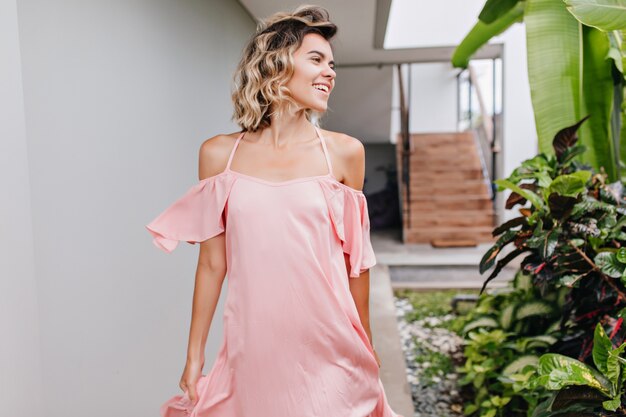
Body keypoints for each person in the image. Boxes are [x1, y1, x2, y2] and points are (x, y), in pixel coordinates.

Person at [146, 4, 404, 417]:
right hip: (254, 351)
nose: (330, 73)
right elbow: (212, 265)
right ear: (275, 64)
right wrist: (194, 356)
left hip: (333, 348)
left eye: (332, 64)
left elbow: (357, 264)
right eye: (316, 60)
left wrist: (367, 344)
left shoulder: (343, 153)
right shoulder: (219, 156)